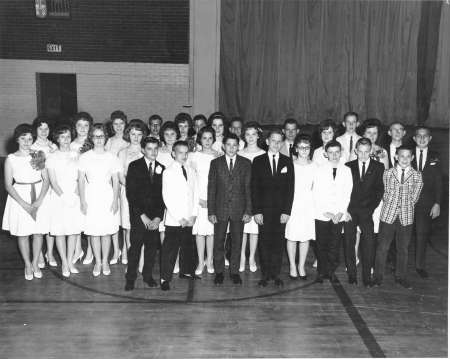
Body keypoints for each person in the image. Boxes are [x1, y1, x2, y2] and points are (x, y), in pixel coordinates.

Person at [2, 124, 50, 280]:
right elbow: (8, 185)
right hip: (19, 198)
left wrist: (39, 201)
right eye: (23, 138)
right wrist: (24, 204)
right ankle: (28, 264)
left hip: (38, 196)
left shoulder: (37, 155)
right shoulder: (11, 159)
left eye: (30, 138)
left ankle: (36, 263)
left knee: (38, 232)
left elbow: (46, 180)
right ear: (17, 139)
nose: (27, 142)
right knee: (23, 234)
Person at [373, 146, 423, 289]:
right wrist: (392, 203)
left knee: (403, 248)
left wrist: (403, 206)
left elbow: (415, 197)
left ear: (412, 158)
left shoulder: (417, 175)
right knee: (382, 247)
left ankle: (401, 277)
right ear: (395, 157)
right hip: (388, 215)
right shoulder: (387, 173)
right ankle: (377, 277)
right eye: (402, 156)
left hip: (406, 217)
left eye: (408, 156)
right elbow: (384, 192)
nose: (405, 159)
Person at [252, 129, 295, 287]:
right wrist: (256, 211)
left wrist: (286, 211)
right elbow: (254, 188)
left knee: (277, 243)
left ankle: (275, 274)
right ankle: (265, 275)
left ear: (282, 143)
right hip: (263, 210)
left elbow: (290, 188)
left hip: (280, 211)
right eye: (273, 141)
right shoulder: (258, 161)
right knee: (264, 242)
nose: (276, 144)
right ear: (267, 141)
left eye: (279, 141)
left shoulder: (287, 161)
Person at [208, 134, 252, 285]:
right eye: (229, 144)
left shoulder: (246, 163)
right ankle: (219, 272)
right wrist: (211, 211)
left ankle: (234, 272)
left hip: (239, 210)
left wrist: (248, 211)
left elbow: (248, 189)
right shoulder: (215, 163)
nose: (232, 148)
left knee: (237, 242)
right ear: (223, 146)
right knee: (219, 241)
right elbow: (211, 189)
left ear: (238, 146)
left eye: (235, 145)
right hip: (220, 209)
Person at [78, 124, 121, 277]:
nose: (98, 139)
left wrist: (115, 200)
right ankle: (97, 261)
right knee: (94, 232)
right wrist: (83, 201)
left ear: (105, 138)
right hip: (91, 196)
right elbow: (81, 181)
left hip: (107, 195)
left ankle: (105, 261)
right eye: (95, 136)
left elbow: (116, 181)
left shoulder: (112, 157)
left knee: (107, 231)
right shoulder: (84, 157)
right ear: (91, 138)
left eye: (101, 136)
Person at [124, 137, 165, 291]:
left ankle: (147, 276)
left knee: (151, 248)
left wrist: (157, 218)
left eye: (156, 148)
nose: (153, 152)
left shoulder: (162, 168)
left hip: (154, 217)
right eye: (149, 148)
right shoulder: (134, 166)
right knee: (135, 247)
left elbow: (163, 196)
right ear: (142, 149)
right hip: (138, 216)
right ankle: (130, 278)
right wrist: (143, 216)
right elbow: (131, 194)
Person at [343, 138, 384, 286]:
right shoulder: (347, 166)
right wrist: (345, 209)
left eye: (367, 152)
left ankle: (367, 277)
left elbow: (380, 190)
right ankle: (352, 275)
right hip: (350, 211)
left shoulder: (378, 167)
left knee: (369, 243)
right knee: (349, 242)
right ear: (355, 151)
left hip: (367, 211)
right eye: (360, 151)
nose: (363, 155)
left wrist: (371, 208)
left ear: (371, 151)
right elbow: (343, 190)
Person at [46, 124, 84, 277]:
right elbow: (53, 181)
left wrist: (74, 196)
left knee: (73, 231)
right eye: (62, 137)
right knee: (60, 231)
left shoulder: (77, 154)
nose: (66, 139)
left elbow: (81, 178)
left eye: (68, 136)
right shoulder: (52, 157)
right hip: (58, 196)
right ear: (57, 138)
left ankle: (70, 261)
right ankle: (64, 263)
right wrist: (64, 197)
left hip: (75, 194)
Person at [312, 140, 352, 283]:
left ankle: (331, 271)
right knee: (321, 244)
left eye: (337, 152)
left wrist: (340, 212)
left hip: (338, 215)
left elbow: (347, 193)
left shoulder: (347, 170)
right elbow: (316, 192)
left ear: (341, 153)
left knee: (334, 245)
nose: (334, 155)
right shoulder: (319, 169)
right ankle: (321, 272)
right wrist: (326, 212)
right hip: (322, 214)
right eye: (331, 152)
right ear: (325, 154)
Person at [160, 141, 199, 291]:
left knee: (188, 247)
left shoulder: (190, 170)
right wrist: (179, 217)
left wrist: (194, 214)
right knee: (170, 250)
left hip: (189, 218)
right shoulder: (168, 172)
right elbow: (167, 197)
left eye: (185, 152)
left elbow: (195, 193)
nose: (183, 155)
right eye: (180, 152)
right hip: (175, 219)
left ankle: (186, 271)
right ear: (173, 154)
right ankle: (165, 278)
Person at [412, 126, 442, 279]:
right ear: (414, 138)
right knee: (403, 235)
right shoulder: (407, 155)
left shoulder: (435, 156)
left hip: (426, 203)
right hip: (407, 202)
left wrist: (437, 203)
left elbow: (438, 182)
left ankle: (420, 265)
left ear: (430, 139)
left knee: (422, 235)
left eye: (425, 136)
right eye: (419, 136)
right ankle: (398, 265)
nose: (422, 139)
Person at [188, 127, 219, 275]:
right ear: (200, 139)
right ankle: (200, 261)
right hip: (198, 199)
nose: (207, 141)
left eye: (210, 138)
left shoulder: (219, 156)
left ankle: (210, 260)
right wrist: (198, 199)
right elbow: (191, 179)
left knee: (212, 232)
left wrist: (212, 200)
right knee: (200, 232)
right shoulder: (193, 156)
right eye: (204, 138)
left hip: (214, 199)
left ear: (214, 139)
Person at [285, 134, 316, 280]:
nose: (304, 150)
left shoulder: (315, 166)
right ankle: (292, 265)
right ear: (296, 149)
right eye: (301, 148)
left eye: (307, 148)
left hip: (308, 204)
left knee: (305, 236)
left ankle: (301, 265)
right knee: (292, 235)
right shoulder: (290, 164)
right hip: (293, 204)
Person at [117, 119, 147, 265]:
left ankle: (142, 258)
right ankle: (131, 258)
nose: (136, 137)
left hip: (145, 195)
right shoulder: (123, 152)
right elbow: (121, 176)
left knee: (142, 227)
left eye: (139, 134)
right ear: (128, 134)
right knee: (129, 226)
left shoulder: (147, 150)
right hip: (128, 193)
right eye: (133, 134)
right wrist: (132, 188)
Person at [238, 122, 265, 273]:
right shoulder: (239, 153)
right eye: (247, 134)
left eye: (254, 134)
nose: (251, 137)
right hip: (242, 197)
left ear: (258, 136)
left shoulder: (263, 154)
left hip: (257, 197)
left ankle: (252, 257)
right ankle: (242, 256)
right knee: (242, 228)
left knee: (254, 230)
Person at [31, 117, 57, 269]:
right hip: (40, 188)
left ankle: (50, 253)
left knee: (51, 222)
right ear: (35, 130)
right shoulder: (32, 147)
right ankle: (39, 253)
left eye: (46, 129)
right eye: (41, 129)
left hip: (53, 188)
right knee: (39, 223)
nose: (44, 132)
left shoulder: (54, 146)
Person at [105, 110, 129, 265]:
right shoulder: (109, 142)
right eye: (116, 124)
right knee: (114, 220)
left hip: (126, 185)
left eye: (121, 123)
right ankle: (116, 251)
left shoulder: (129, 142)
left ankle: (126, 251)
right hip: (111, 185)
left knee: (126, 221)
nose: (119, 126)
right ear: (112, 125)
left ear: (125, 124)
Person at [70, 112, 94, 265]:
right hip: (74, 185)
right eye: (79, 125)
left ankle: (91, 252)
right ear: (75, 127)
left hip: (90, 184)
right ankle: (78, 250)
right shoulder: (70, 144)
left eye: (86, 125)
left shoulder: (95, 143)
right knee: (76, 220)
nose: (83, 128)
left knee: (90, 220)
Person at [156, 121, 180, 272]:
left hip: (178, 198)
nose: (170, 137)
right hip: (161, 197)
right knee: (163, 231)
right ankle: (167, 262)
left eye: (172, 134)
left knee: (176, 231)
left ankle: (176, 261)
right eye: (167, 134)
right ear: (162, 136)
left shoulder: (184, 152)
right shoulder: (157, 151)